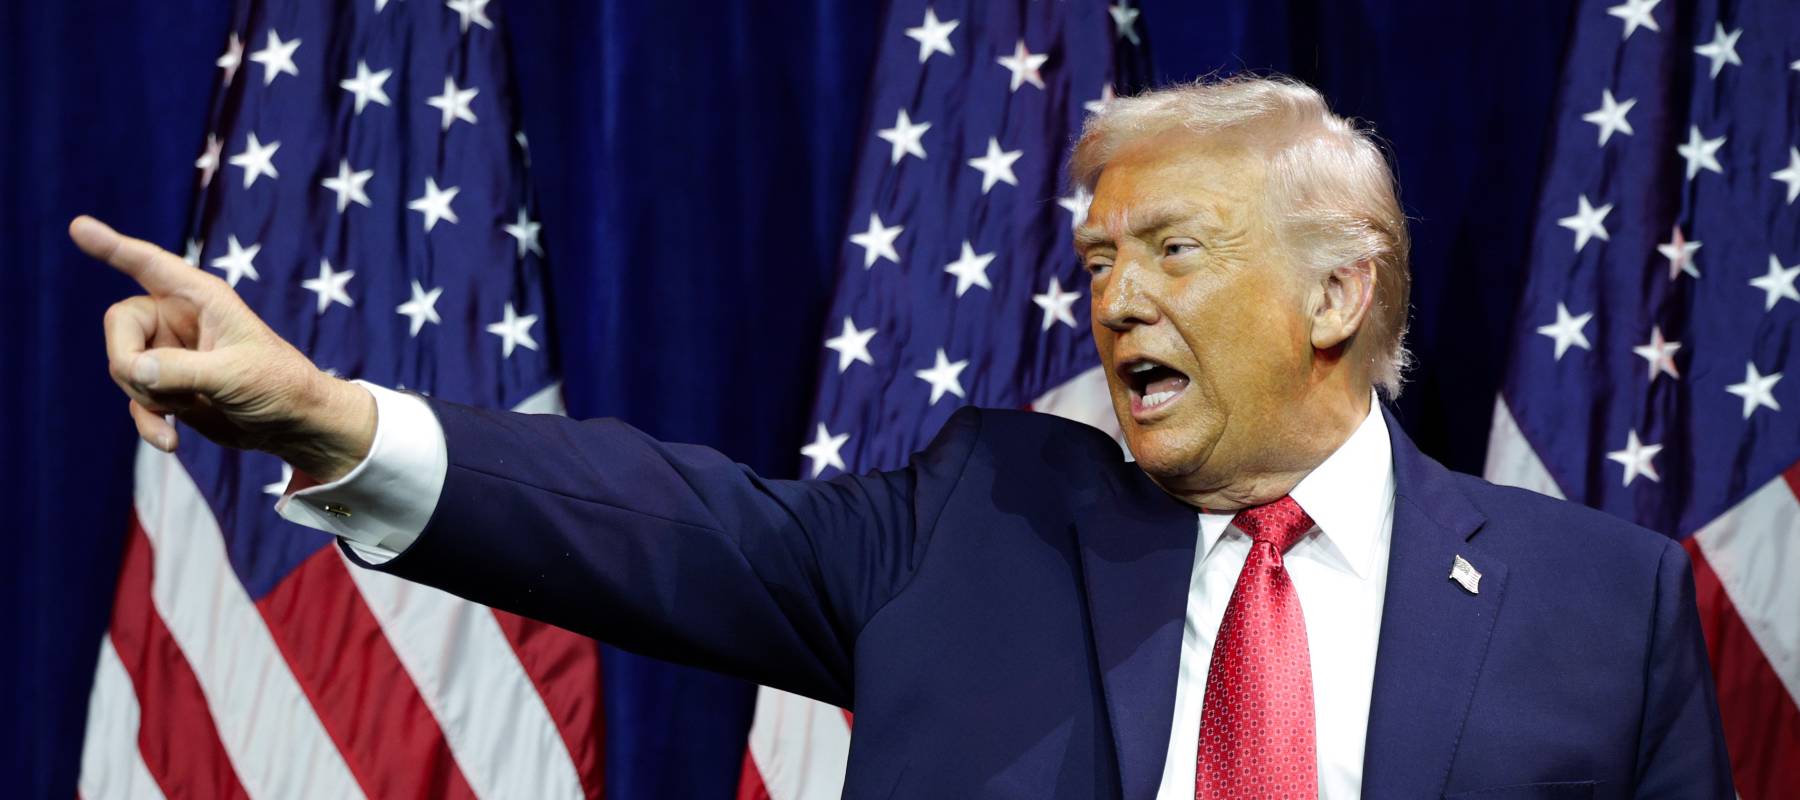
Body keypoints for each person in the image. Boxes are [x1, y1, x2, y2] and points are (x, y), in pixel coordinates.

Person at [76, 76, 1732, 798]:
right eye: (1096, 262)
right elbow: (670, 524)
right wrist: (326, 416)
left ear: (1336, 291)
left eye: (1174, 250)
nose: (1116, 300)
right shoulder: (982, 515)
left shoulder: (1611, 604)